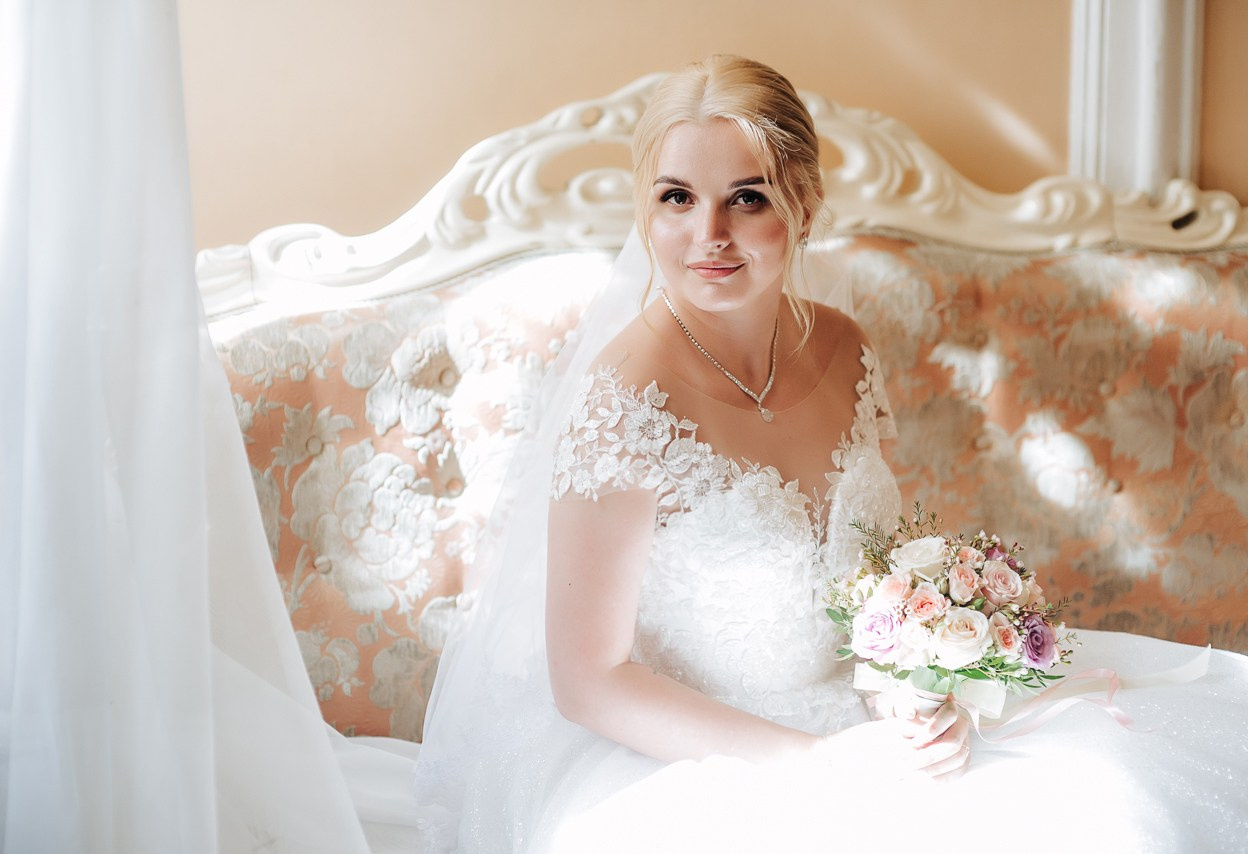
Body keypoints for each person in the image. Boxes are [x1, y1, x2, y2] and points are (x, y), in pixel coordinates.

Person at [416, 55, 1248, 854]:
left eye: (747, 198)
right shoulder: (625, 400)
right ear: (647, 211)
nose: (708, 235)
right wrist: (818, 765)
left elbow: (879, 580)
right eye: (677, 198)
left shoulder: (845, 348)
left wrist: (920, 692)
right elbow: (590, 682)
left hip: (868, 729)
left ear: (804, 207)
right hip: (703, 759)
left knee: (1118, 815)